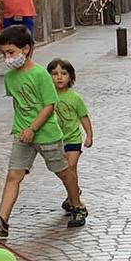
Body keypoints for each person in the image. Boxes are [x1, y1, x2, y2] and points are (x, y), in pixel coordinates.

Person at [0, 24, 86, 237]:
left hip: (46, 134)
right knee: (14, 175)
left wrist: (33, 128)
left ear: (25, 49)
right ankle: (2, 220)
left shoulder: (40, 75)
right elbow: (18, 104)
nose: (8, 58)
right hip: (22, 135)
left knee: (64, 172)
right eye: (4, 54)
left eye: (11, 52)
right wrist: (20, 129)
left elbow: (49, 105)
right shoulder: (10, 78)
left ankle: (77, 205)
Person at [46, 57, 93, 199]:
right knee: (64, 171)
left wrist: (89, 135)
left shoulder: (75, 98)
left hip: (73, 138)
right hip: (56, 139)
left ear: (70, 77)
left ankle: (72, 197)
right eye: (54, 74)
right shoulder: (47, 97)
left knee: (71, 167)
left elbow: (83, 117)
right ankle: (73, 190)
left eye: (64, 73)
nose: (59, 77)